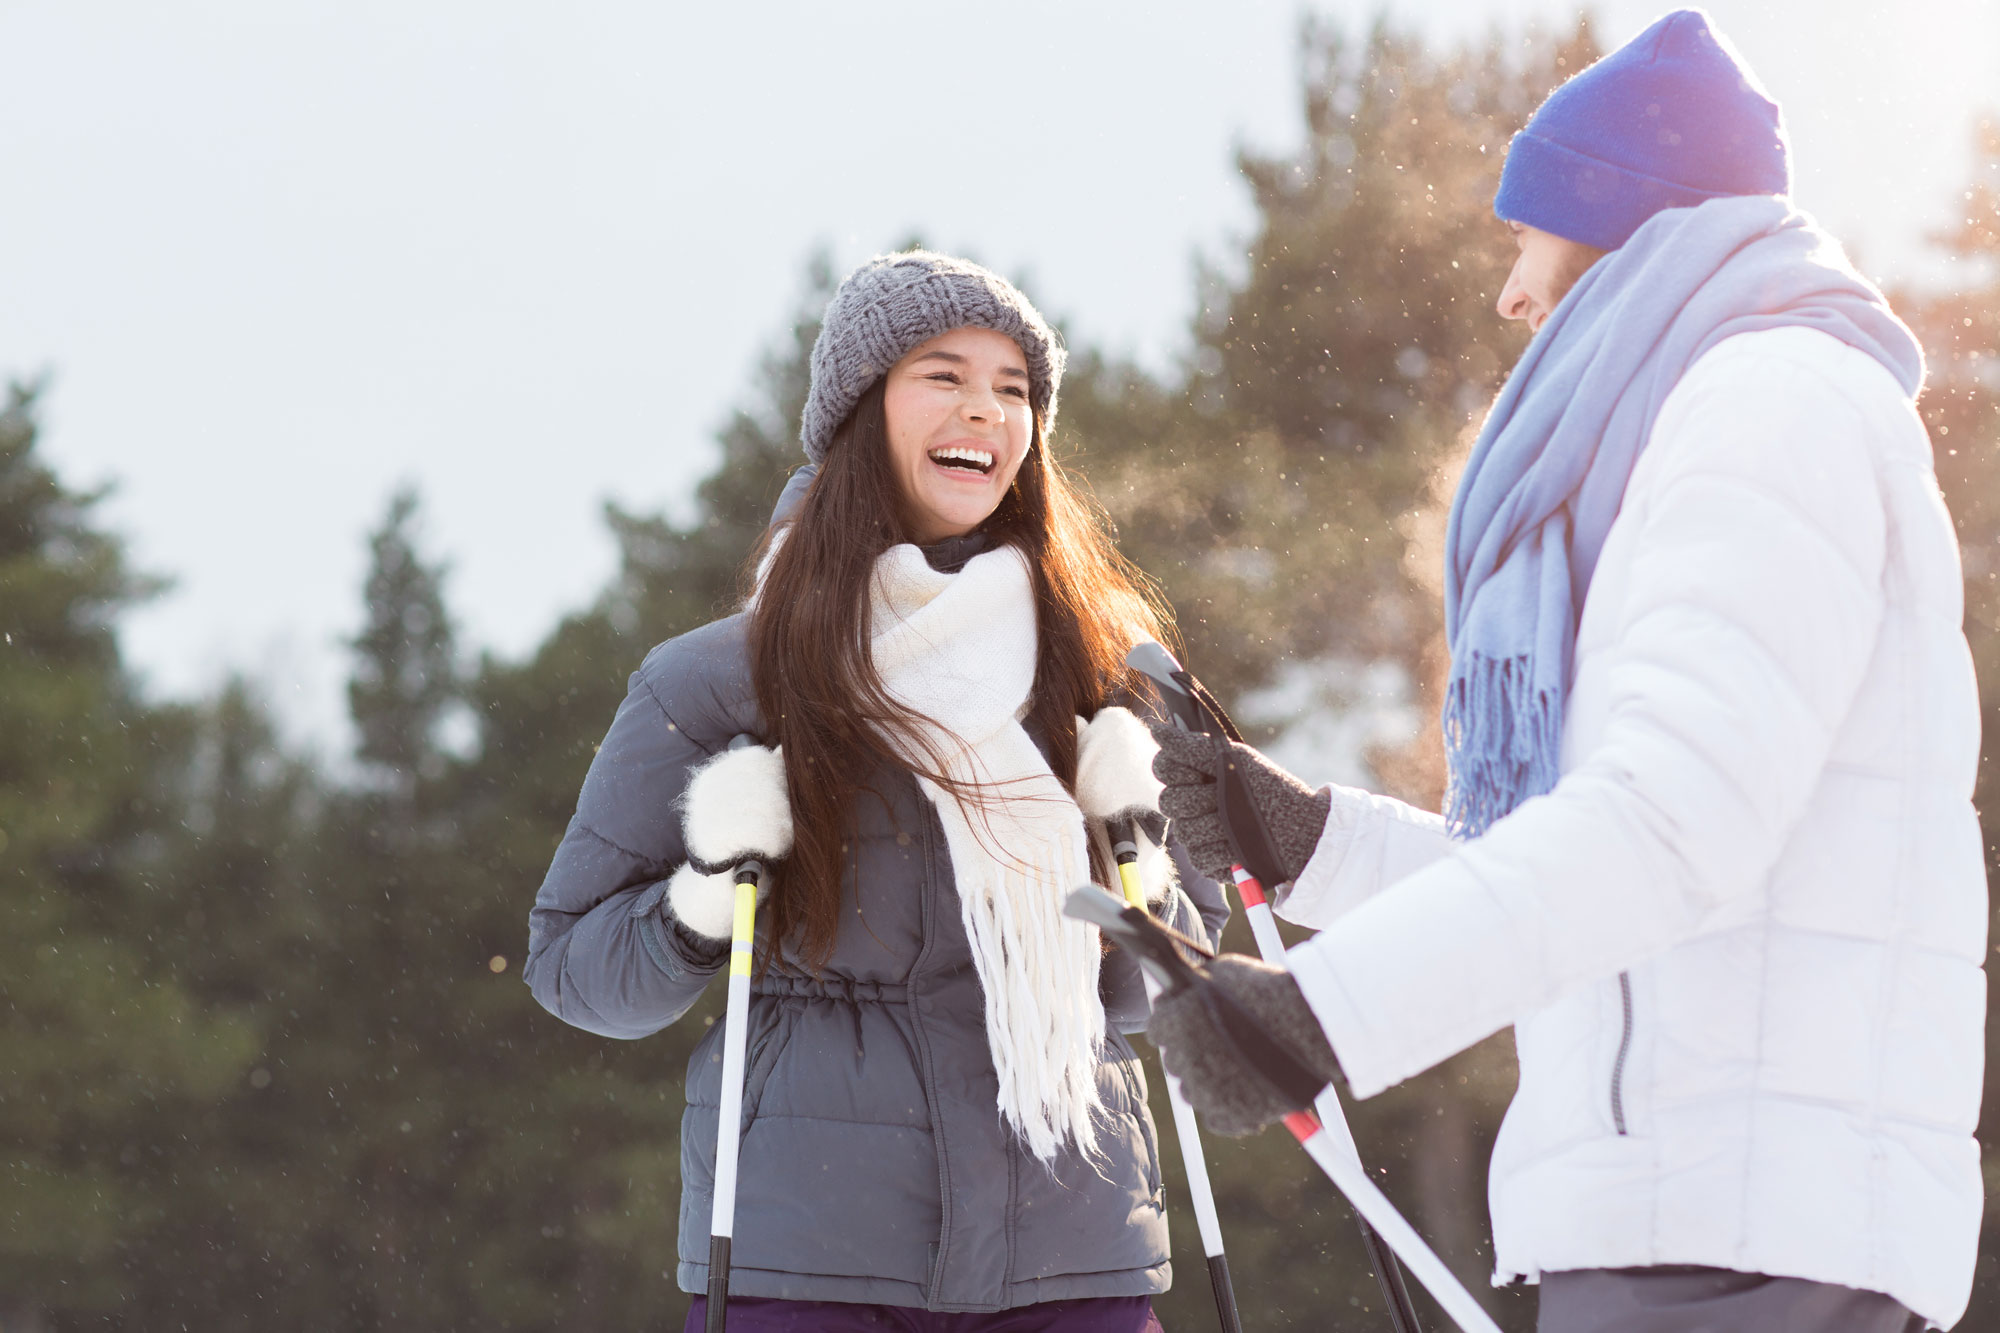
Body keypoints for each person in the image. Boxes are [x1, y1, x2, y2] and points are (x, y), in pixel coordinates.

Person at [1143, 12, 1982, 1333]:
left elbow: (1669, 828)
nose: (1512, 294)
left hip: (1743, 1230)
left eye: (1530, 237)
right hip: (1694, 1216)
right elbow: (1616, 892)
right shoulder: (1714, 420)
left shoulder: (1770, 404)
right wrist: (1307, 841)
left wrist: (1318, 1016)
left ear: (1625, 225)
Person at [524, 251, 1226, 1332]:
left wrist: (1135, 850)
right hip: (812, 1260)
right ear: (860, 411)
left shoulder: (1100, 679)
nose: (984, 409)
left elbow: (1189, 1003)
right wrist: (709, 895)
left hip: (1072, 1256)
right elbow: (575, 970)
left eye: (1012, 388)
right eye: (942, 375)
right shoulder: (721, 681)